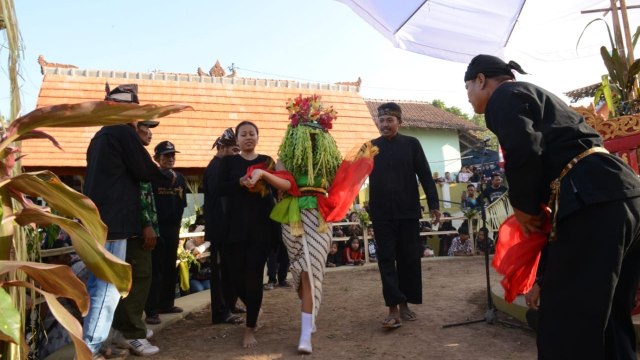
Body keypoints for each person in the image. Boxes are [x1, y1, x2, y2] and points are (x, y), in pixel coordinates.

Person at [464, 54, 640, 359]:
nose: (467, 97)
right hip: (625, 194)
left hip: (594, 201)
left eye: (467, 88)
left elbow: (524, 147)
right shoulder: (538, 96)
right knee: (611, 315)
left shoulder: (503, 96)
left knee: (565, 319)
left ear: (481, 80)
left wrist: (523, 205)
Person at [258, 94, 374, 353]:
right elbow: (285, 184)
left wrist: (360, 165)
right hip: (291, 219)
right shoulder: (284, 159)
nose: (311, 135)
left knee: (311, 271)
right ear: (294, 132)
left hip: (320, 220)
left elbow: (342, 186)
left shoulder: (329, 162)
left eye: (316, 130)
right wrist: (264, 174)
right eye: (305, 129)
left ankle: (305, 335)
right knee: (300, 272)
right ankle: (308, 317)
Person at [83, 84, 174, 359]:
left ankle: (99, 343)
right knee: (108, 287)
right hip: (114, 224)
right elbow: (143, 168)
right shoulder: (122, 132)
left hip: (97, 221)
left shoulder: (99, 136)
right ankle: (90, 349)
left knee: (98, 284)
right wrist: (166, 177)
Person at [368, 102, 441, 330]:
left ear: (399, 121)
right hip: (381, 214)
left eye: (390, 120)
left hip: (408, 212)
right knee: (387, 259)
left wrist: (433, 204)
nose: (385, 124)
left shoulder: (412, 144)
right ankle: (392, 309)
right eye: (382, 120)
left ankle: (405, 303)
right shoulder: (370, 147)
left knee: (409, 259)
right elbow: (351, 174)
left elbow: (426, 175)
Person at [215, 121, 281, 348]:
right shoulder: (229, 162)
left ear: (258, 137)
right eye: (243, 134)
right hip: (234, 229)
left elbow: (277, 189)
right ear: (237, 139)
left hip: (261, 230)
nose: (248, 137)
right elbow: (217, 189)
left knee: (254, 279)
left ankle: (249, 328)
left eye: (252, 133)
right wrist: (239, 182)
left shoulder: (268, 162)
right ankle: (253, 305)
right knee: (233, 277)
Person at [111, 120, 162, 356]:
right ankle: (133, 334)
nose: (149, 133)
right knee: (139, 278)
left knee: (136, 279)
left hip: (132, 228)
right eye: (145, 127)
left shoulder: (129, 151)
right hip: (135, 230)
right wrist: (147, 225)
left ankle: (126, 329)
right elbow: (138, 195)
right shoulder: (131, 153)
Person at [202, 128, 244, 325]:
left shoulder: (226, 166)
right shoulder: (216, 167)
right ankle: (220, 311)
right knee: (220, 272)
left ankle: (230, 303)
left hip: (230, 227)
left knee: (231, 269)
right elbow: (219, 194)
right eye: (233, 150)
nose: (237, 154)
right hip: (220, 229)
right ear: (222, 148)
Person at [145, 140, 187, 325]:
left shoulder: (180, 178)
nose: (170, 159)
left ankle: (167, 303)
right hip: (156, 230)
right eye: (166, 156)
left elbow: (182, 204)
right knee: (156, 270)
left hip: (173, 229)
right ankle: (152, 310)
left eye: (172, 155)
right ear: (157, 158)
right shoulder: (151, 178)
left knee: (171, 267)